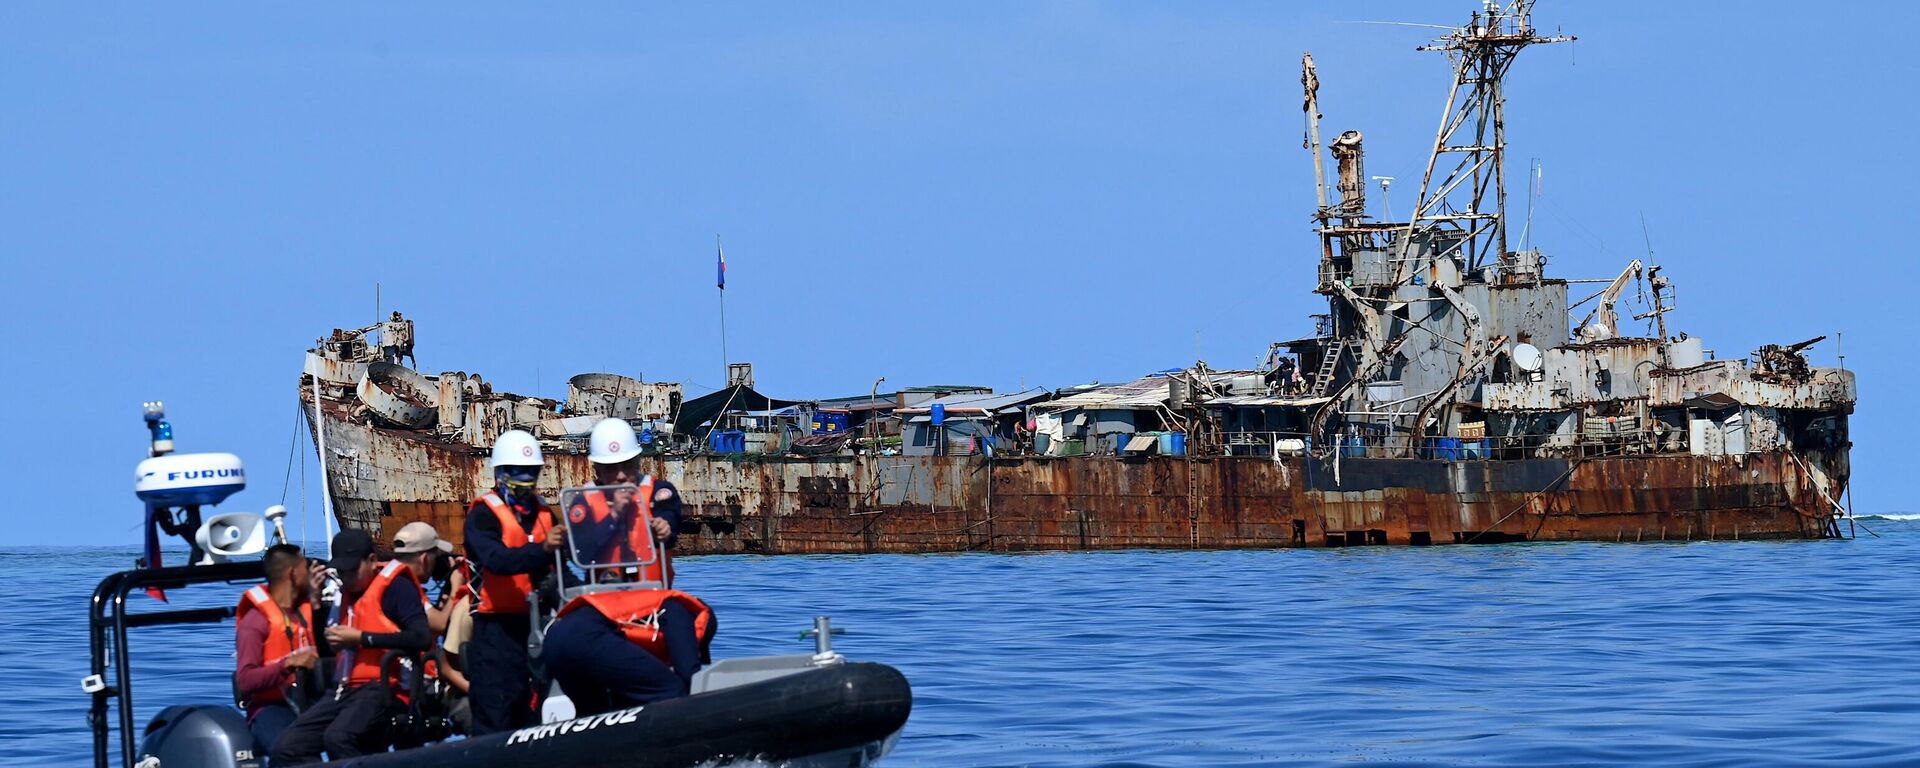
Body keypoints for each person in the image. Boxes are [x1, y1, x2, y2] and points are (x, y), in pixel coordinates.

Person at [271, 530, 432, 765]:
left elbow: (421, 638)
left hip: (385, 689)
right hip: (344, 690)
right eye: (342, 571)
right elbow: (327, 651)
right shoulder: (342, 595)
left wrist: (362, 638)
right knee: (288, 746)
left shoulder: (397, 589)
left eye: (352, 570)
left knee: (339, 737)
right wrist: (316, 605)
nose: (347, 577)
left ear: (372, 561)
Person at [462, 429, 562, 735]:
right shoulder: (483, 515)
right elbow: (497, 560)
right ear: (501, 472)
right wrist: (542, 550)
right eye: (518, 472)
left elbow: (561, 567)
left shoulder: (545, 514)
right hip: (497, 629)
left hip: (540, 624)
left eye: (531, 473)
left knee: (539, 705)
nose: (525, 480)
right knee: (497, 708)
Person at [234, 544, 325, 756]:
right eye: (305, 566)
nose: (310, 570)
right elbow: (246, 680)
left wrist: (317, 602)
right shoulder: (255, 621)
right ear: (293, 573)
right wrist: (288, 664)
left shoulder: (308, 610)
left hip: (311, 702)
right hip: (271, 708)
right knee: (290, 749)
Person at [565, 418, 685, 580]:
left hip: (653, 595)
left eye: (627, 466)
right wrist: (613, 515)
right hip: (602, 597)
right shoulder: (584, 500)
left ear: (637, 462)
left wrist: (664, 528)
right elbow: (580, 553)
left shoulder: (659, 491)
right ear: (598, 470)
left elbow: (669, 516)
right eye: (611, 469)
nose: (621, 476)